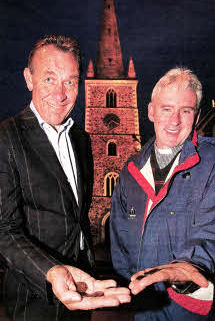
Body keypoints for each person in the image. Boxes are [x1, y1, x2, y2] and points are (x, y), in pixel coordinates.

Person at [0, 35, 130, 321]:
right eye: (49, 79)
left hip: (83, 288)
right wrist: (51, 271)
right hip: (33, 300)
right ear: (29, 78)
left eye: (70, 81)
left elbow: (76, 215)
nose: (60, 94)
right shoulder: (6, 137)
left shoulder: (82, 140)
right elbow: (3, 231)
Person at [110, 67, 215, 320]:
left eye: (185, 111)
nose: (175, 121)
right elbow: (119, 237)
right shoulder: (130, 170)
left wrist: (187, 268)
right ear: (151, 112)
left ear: (196, 117)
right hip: (144, 305)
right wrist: (133, 283)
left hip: (191, 310)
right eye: (167, 109)